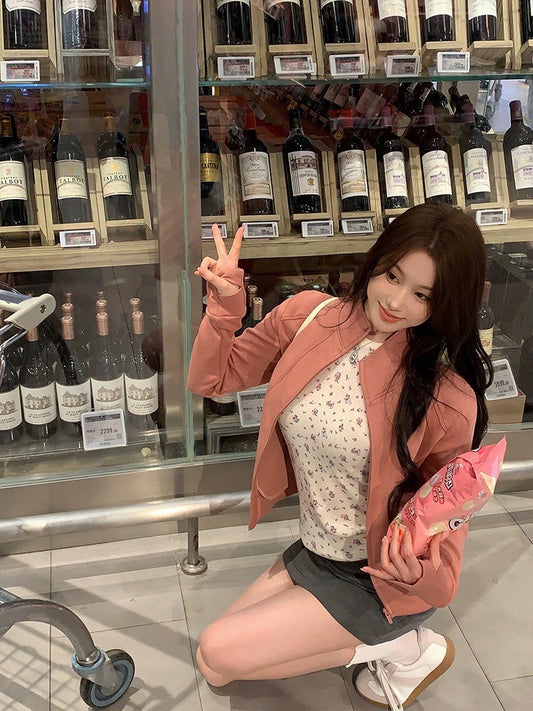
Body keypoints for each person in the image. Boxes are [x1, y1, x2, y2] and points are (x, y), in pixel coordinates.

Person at [187, 202, 493, 709]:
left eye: (422, 295)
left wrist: (421, 577)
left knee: (218, 649)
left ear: (445, 305)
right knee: (213, 665)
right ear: (377, 259)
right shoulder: (308, 316)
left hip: (381, 580)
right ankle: (380, 645)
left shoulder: (445, 397)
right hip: (318, 550)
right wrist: (225, 307)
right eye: (392, 275)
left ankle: (404, 646)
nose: (395, 301)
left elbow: (447, 527)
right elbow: (212, 380)